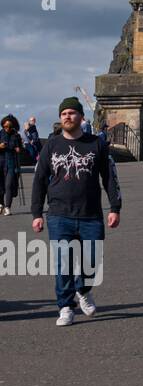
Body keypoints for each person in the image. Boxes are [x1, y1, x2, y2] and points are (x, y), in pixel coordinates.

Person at [30, 97, 122, 326]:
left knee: (92, 263)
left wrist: (115, 207)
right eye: (64, 114)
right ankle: (65, 307)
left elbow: (109, 177)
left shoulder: (97, 144)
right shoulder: (51, 145)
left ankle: (83, 289)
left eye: (72, 113)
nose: (67, 117)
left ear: (81, 117)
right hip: (59, 214)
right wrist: (37, 214)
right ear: (60, 118)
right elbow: (39, 180)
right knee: (64, 264)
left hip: (91, 214)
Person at [1, 114, 22, 216]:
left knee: (8, 185)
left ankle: (7, 207)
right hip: (0, 163)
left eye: (9, 127)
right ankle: (1, 204)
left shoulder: (16, 136)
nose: (7, 129)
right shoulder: (0, 134)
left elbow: (21, 149)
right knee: (0, 185)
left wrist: (19, 149)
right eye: (5, 126)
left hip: (11, 163)